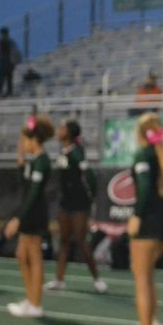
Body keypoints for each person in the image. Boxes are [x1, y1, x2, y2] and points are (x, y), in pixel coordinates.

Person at [128, 113, 163, 325]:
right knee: (148, 276)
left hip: (149, 221)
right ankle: (153, 321)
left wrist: (137, 216)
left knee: (141, 278)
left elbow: (145, 187)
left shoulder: (143, 155)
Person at [44, 120, 106, 294]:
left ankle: (97, 279)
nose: (59, 130)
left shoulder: (77, 152)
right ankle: (59, 279)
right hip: (66, 202)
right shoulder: (63, 151)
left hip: (79, 204)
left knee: (81, 240)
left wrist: (90, 198)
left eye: (62, 128)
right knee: (63, 241)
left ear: (69, 133)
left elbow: (90, 176)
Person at [4, 115, 55, 318]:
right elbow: (24, 187)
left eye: (24, 140)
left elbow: (33, 194)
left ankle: (36, 303)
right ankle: (31, 298)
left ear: (34, 140)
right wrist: (20, 163)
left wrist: (18, 219)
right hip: (29, 211)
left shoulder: (42, 161)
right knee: (21, 255)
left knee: (33, 256)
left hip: (34, 213)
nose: (22, 144)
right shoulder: (33, 161)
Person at [0, 27, 21, 98]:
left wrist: (0, 59)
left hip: (4, 62)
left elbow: (1, 54)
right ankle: (9, 92)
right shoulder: (11, 42)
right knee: (9, 78)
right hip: (11, 63)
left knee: (1, 78)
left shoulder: (2, 42)